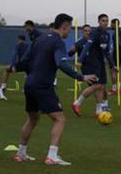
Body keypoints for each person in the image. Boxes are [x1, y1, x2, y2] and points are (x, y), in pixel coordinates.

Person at [12, 13, 98, 165]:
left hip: (30, 84)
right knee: (60, 119)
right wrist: (81, 77)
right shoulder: (57, 41)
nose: (70, 31)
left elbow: (25, 61)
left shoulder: (39, 39)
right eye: (70, 28)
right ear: (64, 27)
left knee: (33, 118)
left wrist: (14, 68)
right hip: (43, 85)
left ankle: (21, 153)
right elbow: (61, 63)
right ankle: (52, 156)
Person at [71, 14, 111, 116]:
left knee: (101, 86)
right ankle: (77, 103)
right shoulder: (94, 33)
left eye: (106, 20)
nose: (105, 22)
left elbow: (106, 52)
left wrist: (113, 65)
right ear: (98, 22)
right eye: (103, 20)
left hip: (100, 63)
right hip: (93, 64)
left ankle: (99, 111)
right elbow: (86, 47)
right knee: (96, 85)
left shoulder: (107, 35)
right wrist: (80, 60)